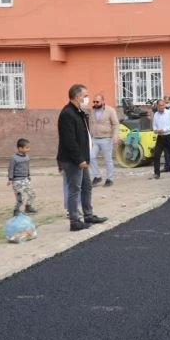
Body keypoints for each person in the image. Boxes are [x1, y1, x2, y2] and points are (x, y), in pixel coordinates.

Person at [57, 84, 108, 231]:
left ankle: (88, 215)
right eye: (85, 95)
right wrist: (79, 159)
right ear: (77, 96)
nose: (87, 98)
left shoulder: (79, 112)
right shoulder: (67, 114)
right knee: (75, 189)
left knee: (87, 186)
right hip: (73, 160)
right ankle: (74, 221)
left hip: (83, 158)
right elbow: (69, 140)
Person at [88, 94, 119, 187]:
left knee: (107, 160)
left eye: (97, 101)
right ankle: (97, 176)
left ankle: (110, 179)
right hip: (95, 139)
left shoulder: (110, 110)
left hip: (106, 138)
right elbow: (90, 123)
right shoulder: (92, 111)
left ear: (103, 101)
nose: (95, 103)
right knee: (91, 156)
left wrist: (115, 135)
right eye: (94, 101)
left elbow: (115, 124)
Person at [7, 138, 37, 216]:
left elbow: (27, 167)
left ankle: (28, 207)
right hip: (17, 181)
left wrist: (28, 175)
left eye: (28, 147)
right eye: (27, 147)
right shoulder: (14, 158)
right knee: (21, 198)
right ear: (20, 148)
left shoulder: (27, 157)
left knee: (32, 193)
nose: (28, 149)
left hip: (25, 179)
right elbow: (11, 168)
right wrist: (10, 179)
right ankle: (16, 211)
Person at [151, 99, 170, 180]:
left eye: (163, 105)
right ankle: (157, 174)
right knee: (156, 155)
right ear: (157, 106)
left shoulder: (169, 113)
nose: (162, 107)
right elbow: (154, 125)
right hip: (160, 137)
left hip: (169, 136)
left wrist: (164, 129)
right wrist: (155, 130)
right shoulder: (156, 114)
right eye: (160, 105)